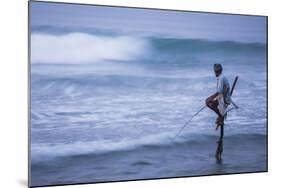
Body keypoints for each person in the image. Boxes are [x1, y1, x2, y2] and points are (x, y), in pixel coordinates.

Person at [205, 64, 231, 130]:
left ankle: (220, 115)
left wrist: (212, 98)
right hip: (223, 96)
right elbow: (219, 92)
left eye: (217, 71)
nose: (216, 73)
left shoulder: (221, 78)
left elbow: (219, 92)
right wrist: (211, 98)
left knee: (208, 102)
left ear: (220, 71)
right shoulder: (221, 77)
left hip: (224, 98)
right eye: (215, 71)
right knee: (208, 100)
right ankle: (220, 115)